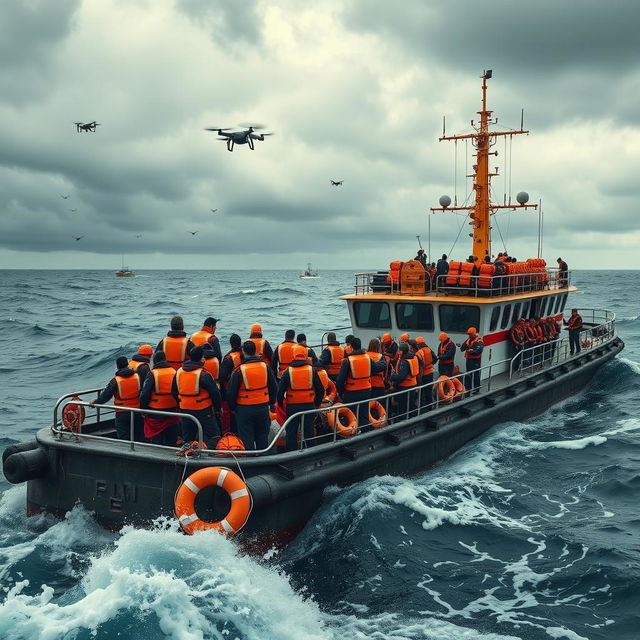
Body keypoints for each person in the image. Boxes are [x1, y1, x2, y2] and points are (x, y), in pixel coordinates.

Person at [227, 341, 278, 452]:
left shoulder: (239, 370)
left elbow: (231, 392)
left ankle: (249, 462)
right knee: (262, 435)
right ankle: (263, 459)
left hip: (244, 409)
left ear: (243, 352)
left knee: (246, 437)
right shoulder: (265, 367)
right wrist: (272, 403)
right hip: (263, 407)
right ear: (255, 351)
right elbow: (274, 387)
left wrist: (232, 408)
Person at [172, 346, 222, 448]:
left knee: (188, 437)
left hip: (185, 410)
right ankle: (210, 457)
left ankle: (187, 456)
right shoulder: (204, 374)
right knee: (213, 436)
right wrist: (217, 409)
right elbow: (215, 393)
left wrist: (181, 403)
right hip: (203, 411)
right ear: (201, 358)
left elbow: (174, 391)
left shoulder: (179, 372)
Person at [277, 345, 324, 451]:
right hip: (309, 405)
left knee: (291, 432)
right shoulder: (312, 371)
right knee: (309, 432)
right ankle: (311, 453)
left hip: (292, 407)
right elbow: (320, 389)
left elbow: (280, 392)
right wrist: (316, 403)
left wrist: (280, 404)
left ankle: (290, 455)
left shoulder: (288, 372)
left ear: (293, 355)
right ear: (305, 355)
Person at [336, 337, 385, 433]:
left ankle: (352, 435)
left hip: (351, 392)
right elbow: (376, 368)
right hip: (366, 391)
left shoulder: (347, 360)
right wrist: (383, 361)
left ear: (351, 346)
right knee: (364, 415)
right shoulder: (367, 358)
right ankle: (366, 434)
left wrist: (341, 393)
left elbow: (340, 380)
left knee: (351, 416)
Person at [91, 356, 143, 441]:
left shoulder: (115, 381)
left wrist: (95, 403)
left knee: (123, 437)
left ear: (117, 366)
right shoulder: (137, 377)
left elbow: (105, 396)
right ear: (128, 364)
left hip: (122, 412)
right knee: (138, 435)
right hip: (137, 411)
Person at [139, 350, 179, 446]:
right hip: (172, 410)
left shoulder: (152, 374)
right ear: (165, 359)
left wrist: (143, 409)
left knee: (156, 438)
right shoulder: (175, 372)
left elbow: (145, 394)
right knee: (171, 437)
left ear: (155, 361)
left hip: (156, 411)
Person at [218, 333, 243, 433]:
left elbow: (222, 377)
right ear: (240, 343)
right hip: (244, 391)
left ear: (230, 344)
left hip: (230, 392)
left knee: (231, 418)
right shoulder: (244, 356)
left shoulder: (228, 358)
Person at [390, 342, 421, 420]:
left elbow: (401, 376)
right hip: (413, 384)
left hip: (405, 386)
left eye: (399, 351)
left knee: (403, 405)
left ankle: (402, 419)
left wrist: (392, 377)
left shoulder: (405, 362)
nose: (398, 352)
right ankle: (412, 416)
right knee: (410, 403)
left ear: (402, 351)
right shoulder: (414, 357)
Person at [460, 327, 484, 394]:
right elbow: (462, 348)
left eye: (470, 334)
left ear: (474, 334)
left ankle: (477, 389)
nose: (469, 335)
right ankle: (468, 388)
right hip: (469, 360)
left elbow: (478, 351)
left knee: (476, 374)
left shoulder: (479, 341)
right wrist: (467, 348)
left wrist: (471, 351)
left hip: (476, 360)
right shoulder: (468, 340)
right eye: (468, 334)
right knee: (469, 374)